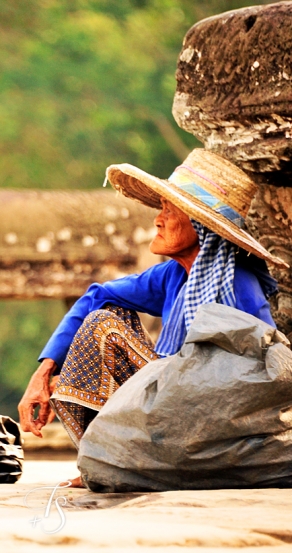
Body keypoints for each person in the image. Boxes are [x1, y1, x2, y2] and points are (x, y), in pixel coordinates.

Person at [18, 149, 287, 486]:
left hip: (212, 420)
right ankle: (105, 460)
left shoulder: (239, 285)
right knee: (106, 313)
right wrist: (43, 372)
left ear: (200, 226)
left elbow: (260, 375)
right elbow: (97, 296)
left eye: (170, 211)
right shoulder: (172, 276)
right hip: (168, 403)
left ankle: (119, 463)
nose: (158, 219)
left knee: (105, 329)